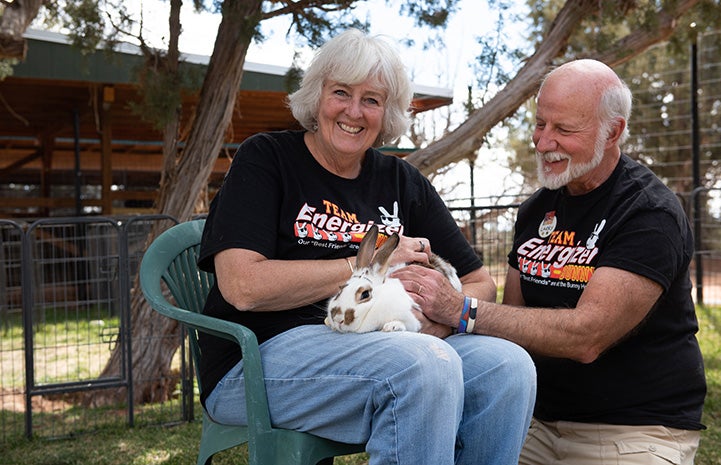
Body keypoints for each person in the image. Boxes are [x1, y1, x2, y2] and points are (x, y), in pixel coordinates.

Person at [197, 28, 536, 465]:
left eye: (372, 100)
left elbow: (479, 283)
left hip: (393, 342)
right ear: (317, 98)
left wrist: (443, 319)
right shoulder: (267, 158)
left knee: (507, 368)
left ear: (387, 113)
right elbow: (243, 286)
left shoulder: (401, 180)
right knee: (422, 366)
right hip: (259, 356)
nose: (354, 111)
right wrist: (369, 265)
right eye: (341, 92)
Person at [419, 58, 707, 464]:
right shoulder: (537, 209)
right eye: (540, 124)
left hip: (635, 428)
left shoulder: (648, 212)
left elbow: (587, 336)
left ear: (613, 131)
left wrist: (460, 309)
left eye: (564, 129)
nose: (542, 142)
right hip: (537, 420)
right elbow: (511, 319)